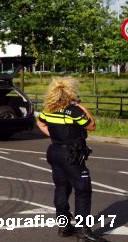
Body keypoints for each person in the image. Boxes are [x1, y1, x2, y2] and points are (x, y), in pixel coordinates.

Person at [36, 77, 107, 242]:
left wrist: (55, 137)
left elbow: (40, 124)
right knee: (83, 190)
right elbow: (91, 125)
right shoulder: (74, 110)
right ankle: (83, 230)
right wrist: (81, 107)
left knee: (61, 187)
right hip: (71, 154)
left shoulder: (49, 110)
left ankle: (64, 225)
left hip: (54, 151)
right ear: (70, 93)